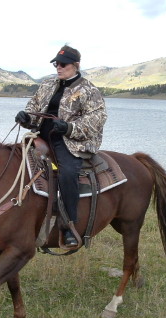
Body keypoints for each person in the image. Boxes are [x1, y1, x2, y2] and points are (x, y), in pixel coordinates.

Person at [15, 45, 107, 247]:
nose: (59, 67)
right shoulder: (48, 85)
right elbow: (34, 106)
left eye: (63, 64)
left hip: (69, 142)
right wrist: (26, 117)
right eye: (56, 64)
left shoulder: (89, 90)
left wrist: (68, 127)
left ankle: (69, 226)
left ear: (76, 65)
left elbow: (97, 119)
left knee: (67, 173)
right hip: (41, 136)